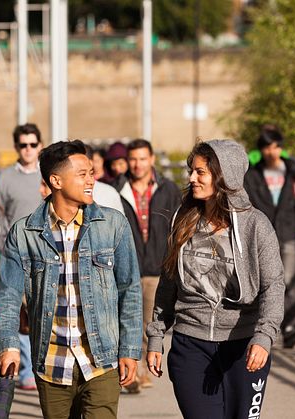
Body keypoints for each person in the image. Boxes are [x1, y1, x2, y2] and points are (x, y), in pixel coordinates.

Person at [0, 139, 143, 419]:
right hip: (51, 364)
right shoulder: (24, 233)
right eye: (83, 174)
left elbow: (129, 289)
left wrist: (130, 349)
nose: (92, 180)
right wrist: (9, 345)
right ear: (56, 181)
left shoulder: (112, 224)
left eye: (92, 172)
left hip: (102, 360)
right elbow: (9, 296)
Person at [147, 140, 285, 419]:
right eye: (191, 171)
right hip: (191, 343)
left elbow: (274, 284)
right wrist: (156, 335)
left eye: (200, 172)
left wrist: (264, 337)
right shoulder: (183, 219)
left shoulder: (256, 226)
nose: (192, 178)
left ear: (225, 176)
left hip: (242, 344)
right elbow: (168, 281)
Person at [111, 138, 181, 392]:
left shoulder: (169, 189)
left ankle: (138, 372)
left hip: (156, 267)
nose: (137, 164)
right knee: (124, 320)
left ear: (151, 159)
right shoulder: (116, 189)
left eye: (142, 158)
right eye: (133, 159)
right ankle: (130, 370)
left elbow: (179, 227)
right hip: (124, 266)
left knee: (146, 323)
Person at [244, 125, 295, 349]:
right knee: (265, 282)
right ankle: (266, 328)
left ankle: (289, 326)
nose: (272, 152)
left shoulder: (293, 171)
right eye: (267, 147)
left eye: (276, 147)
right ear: (261, 150)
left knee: (287, 282)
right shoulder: (253, 174)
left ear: (280, 148)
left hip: (289, 234)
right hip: (263, 236)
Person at [0, 122, 44, 391]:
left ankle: (41, 363)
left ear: (40, 146)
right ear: (16, 148)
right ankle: (26, 368)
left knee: (41, 310)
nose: (28, 149)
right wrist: (2, 246)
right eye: (22, 145)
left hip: (47, 253)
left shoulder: (48, 175)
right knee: (20, 313)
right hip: (15, 253)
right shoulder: (5, 178)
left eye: (32, 144)